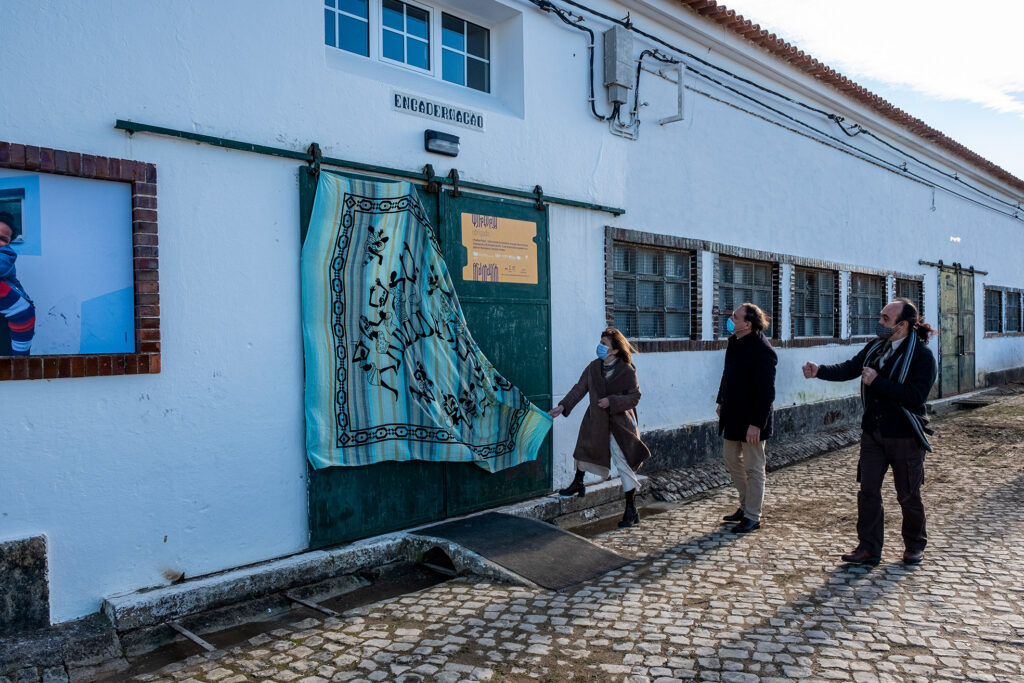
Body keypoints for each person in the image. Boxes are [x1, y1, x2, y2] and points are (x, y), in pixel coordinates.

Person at [803, 298, 937, 566]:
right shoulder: (876, 347)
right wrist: (820, 371)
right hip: (873, 433)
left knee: (908, 494)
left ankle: (914, 545)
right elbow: (851, 367)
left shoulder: (922, 357)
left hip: (905, 436)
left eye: (885, 319)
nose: (879, 323)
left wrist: (878, 382)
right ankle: (868, 547)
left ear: (903, 325)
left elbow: (915, 396)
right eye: (881, 317)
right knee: (868, 492)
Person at [549, 328, 651, 528]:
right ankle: (578, 483)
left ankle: (631, 509)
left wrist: (611, 401)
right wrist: (562, 406)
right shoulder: (593, 367)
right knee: (583, 447)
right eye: (600, 342)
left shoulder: (627, 370)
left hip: (620, 425)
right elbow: (579, 388)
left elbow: (635, 397)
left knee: (622, 462)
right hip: (595, 419)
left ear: (615, 350)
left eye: (604, 344)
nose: (600, 346)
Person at [716, 303, 778, 533]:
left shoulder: (763, 351)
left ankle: (752, 516)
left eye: (735, 316)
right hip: (733, 415)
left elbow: (766, 392)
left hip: (753, 419)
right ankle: (745, 505)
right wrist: (721, 401)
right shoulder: (735, 341)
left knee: (754, 467)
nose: (730, 319)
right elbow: (727, 375)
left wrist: (756, 424)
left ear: (747, 324)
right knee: (730, 458)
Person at [0, 212, 35, 356]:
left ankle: (21, 361)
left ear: (8, 243)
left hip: (20, 310)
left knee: (17, 356)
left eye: (3, 239)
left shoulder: (6, 254)